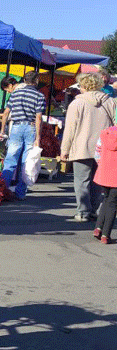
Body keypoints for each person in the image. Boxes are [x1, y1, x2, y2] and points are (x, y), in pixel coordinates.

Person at [61, 72, 116, 221]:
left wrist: (64, 150)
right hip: (104, 148)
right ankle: (93, 209)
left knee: (81, 181)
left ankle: (83, 211)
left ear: (84, 86)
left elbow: (70, 129)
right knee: (97, 181)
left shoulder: (77, 103)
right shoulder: (110, 102)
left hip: (81, 147)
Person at [0, 72, 46, 200]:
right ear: (36, 81)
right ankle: (20, 193)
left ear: (24, 80)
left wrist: (2, 130)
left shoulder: (15, 93)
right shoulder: (39, 96)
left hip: (16, 127)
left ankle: (2, 191)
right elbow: (39, 118)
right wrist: (38, 138)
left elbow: (6, 112)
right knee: (26, 162)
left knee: (10, 160)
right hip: (31, 128)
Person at [93, 126, 117, 243]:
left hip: (104, 172)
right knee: (113, 204)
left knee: (106, 200)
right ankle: (105, 235)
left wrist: (102, 165)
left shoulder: (105, 133)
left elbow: (97, 153)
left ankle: (98, 228)